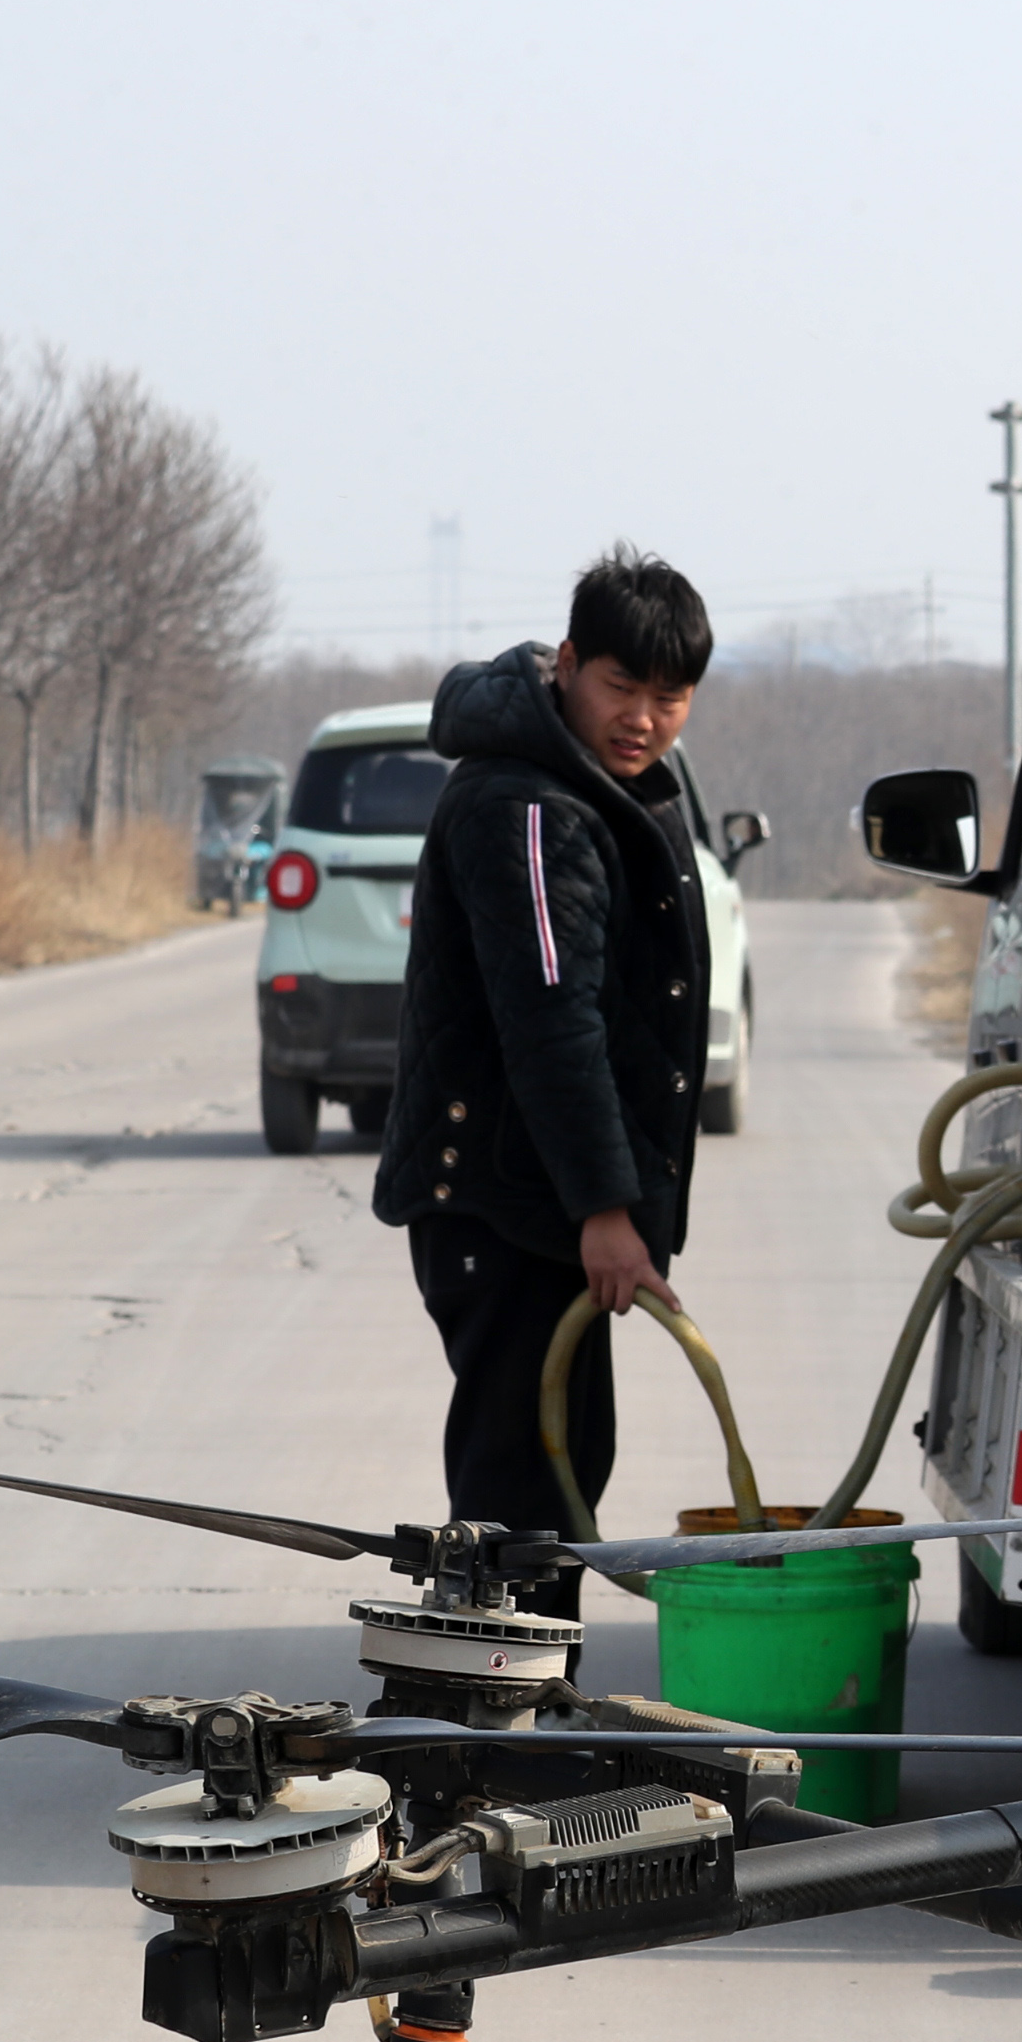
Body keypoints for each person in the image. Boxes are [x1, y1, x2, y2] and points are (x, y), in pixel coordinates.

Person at [375, 546, 719, 1624]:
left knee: (561, 1469)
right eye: (621, 688)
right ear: (568, 665)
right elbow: (550, 1020)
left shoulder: (593, 787)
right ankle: (479, 1734)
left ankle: (522, 1718)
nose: (644, 719)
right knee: (519, 1491)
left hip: (542, 1200)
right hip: (505, 1198)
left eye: (670, 698)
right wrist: (607, 1210)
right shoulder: (528, 807)